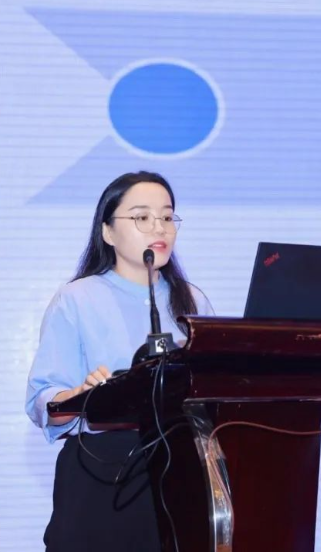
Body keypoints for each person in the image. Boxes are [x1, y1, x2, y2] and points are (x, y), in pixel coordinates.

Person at [25, 171, 213, 551]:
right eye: (142, 217)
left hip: (181, 472)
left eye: (167, 216)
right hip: (103, 472)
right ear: (108, 232)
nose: (159, 227)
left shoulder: (192, 302)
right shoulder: (76, 298)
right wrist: (81, 395)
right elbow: (42, 401)